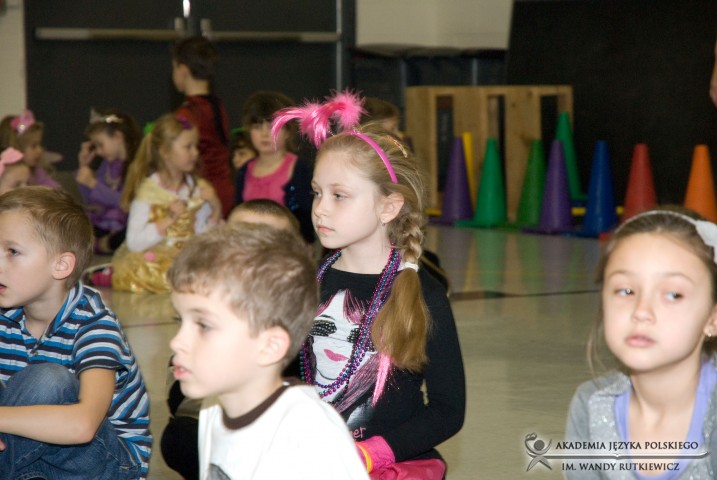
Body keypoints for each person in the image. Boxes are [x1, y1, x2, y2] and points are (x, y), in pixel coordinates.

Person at [272, 91, 466, 478]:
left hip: (394, 466)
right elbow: (286, 375)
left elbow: (448, 410)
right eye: (317, 193)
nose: (321, 208)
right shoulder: (308, 282)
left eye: (339, 196)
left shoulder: (422, 293)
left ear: (388, 207)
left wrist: (370, 455)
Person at [168, 223, 369, 480]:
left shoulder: (307, 433)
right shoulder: (213, 408)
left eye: (204, 325)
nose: (177, 342)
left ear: (269, 346)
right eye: (180, 321)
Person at [0, 186, 152, 479]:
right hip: (36, 457)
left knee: (48, 379)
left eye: (12, 252)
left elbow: (83, 425)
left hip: (109, 464)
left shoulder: (95, 324)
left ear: (61, 265)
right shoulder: (7, 313)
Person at [565, 208, 717, 478]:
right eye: (625, 290)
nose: (641, 311)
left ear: (712, 318)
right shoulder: (591, 404)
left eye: (673, 294)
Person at [160, 200, 304, 480]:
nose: (251, 255)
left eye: (268, 246)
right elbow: (180, 397)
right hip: (218, 420)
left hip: (280, 431)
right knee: (180, 437)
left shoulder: (306, 311)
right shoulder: (205, 300)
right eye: (240, 241)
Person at [110, 113, 221, 293]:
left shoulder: (198, 189)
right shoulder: (149, 192)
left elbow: (206, 236)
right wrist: (167, 220)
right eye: (188, 147)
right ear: (165, 152)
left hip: (189, 259)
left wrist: (215, 208)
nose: (195, 153)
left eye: (196, 146)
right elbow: (134, 242)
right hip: (156, 262)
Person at [235, 90, 315, 243]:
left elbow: (307, 219)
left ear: (288, 131)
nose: (264, 133)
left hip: (287, 246)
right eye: (257, 126)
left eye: (272, 126)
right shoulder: (244, 171)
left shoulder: (299, 168)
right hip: (249, 245)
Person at [172, 36, 235, 217]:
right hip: (225, 190)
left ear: (183, 70)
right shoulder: (217, 105)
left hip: (203, 197)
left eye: (174, 68)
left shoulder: (186, 114)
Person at [76, 108, 142, 254]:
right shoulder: (106, 166)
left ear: (118, 137)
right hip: (104, 224)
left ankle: (101, 245)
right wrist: (84, 168)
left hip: (126, 224)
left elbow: (126, 202)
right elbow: (90, 200)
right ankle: (99, 244)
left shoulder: (137, 166)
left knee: (128, 234)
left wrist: (94, 184)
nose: (99, 152)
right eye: (96, 146)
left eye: (100, 145)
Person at [0, 109, 60, 189]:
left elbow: (55, 189)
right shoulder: (5, 173)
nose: (40, 150)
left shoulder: (37, 171)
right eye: (34, 146)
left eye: (40, 144)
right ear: (17, 147)